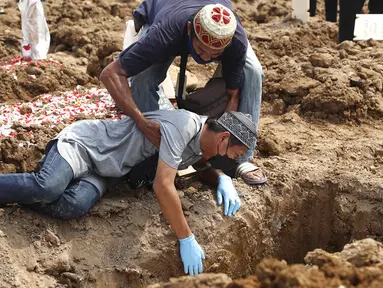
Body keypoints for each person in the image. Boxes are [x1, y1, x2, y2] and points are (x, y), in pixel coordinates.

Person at [0, 109, 257, 276]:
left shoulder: (200, 145)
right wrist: (186, 238)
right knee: (48, 187)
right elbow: (162, 185)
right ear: (224, 137)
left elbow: (200, 164)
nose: (226, 159)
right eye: (232, 154)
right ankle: (30, 187)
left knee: (75, 205)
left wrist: (223, 179)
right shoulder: (186, 125)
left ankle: (22, 194)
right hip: (87, 146)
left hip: (106, 172)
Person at [100, 0, 267, 186]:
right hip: (168, 12)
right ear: (189, 30)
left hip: (212, 25)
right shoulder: (165, 33)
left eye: (215, 54)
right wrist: (143, 122)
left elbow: (233, 95)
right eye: (201, 50)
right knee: (143, 78)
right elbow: (111, 73)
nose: (205, 58)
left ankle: (242, 159)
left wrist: (226, 137)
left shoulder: (235, 39)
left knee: (252, 71)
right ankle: (156, 150)